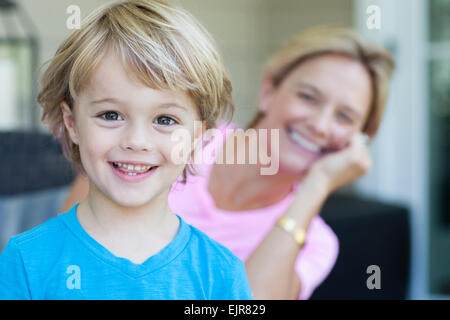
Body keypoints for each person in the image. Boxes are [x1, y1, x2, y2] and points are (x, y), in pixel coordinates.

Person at [60, 26, 395, 299]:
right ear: (268, 91)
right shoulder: (177, 137)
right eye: (308, 97)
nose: (320, 125)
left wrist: (316, 187)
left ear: (360, 139)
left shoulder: (316, 241)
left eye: (344, 116)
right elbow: (67, 259)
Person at [0, 0, 253, 300]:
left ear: (196, 137)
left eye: (164, 120)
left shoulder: (219, 273)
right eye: (111, 115)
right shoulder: (26, 261)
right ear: (72, 123)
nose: (136, 141)